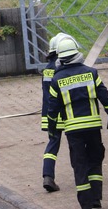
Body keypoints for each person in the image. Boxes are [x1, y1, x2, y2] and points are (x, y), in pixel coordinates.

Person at [47, 35, 108, 209]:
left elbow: (52, 110)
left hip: (73, 131)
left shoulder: (57, 80)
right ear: (77, 53)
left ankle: (86, 204)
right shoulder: (91, 73)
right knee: (95, 161)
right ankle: (96, 200)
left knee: (79, 165)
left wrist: (51, 129)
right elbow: (105, 96)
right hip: (93, 127)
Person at [41, 33, 68, 193]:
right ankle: (83, 176)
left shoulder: (47, 70)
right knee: (75, 144)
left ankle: (47, 176)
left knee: (52, 144)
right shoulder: (63, 68)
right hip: (66, 113)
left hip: (49, 114)